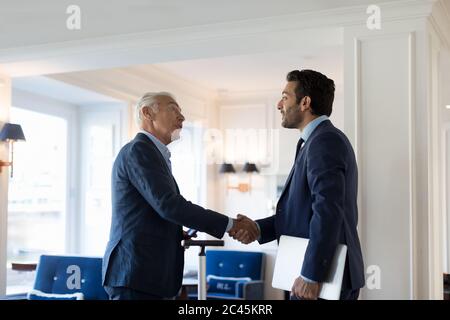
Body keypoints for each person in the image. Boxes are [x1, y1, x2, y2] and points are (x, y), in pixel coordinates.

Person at [102, 92, 258, 300]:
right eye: (173, 109)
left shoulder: (153, 154)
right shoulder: (140, 150)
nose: (182, 117)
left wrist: (175, 231)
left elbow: (153, 211)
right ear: (147, 113)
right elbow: (168, 205)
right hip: (135, 274)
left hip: (147, 276)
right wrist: (231, 224)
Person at [231, 70, 365, 300]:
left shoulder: (324, 141)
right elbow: (303, 213)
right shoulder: (314, 141)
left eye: (285, 97)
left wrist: (312, 276)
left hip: (322, 281)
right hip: (316, 277)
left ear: (305, 102)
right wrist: (259, 228)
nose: (278, 104)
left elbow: (328, 211)